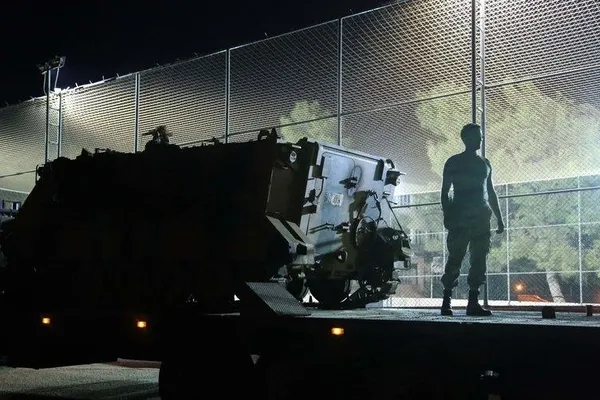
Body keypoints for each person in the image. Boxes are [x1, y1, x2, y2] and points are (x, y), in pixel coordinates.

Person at [440, 123, 504, 316]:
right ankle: (447, 301)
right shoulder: (453, 162)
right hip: (461, 217)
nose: (480, 139)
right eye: (477, 136)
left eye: (481, 136)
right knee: (456, 257)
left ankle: (472, 302)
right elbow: (444, 192)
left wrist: (499, 218)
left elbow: (490, 192)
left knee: (479, 259)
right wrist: (448, 215)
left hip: (480, 218)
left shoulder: (485, 163)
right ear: (466, 138)